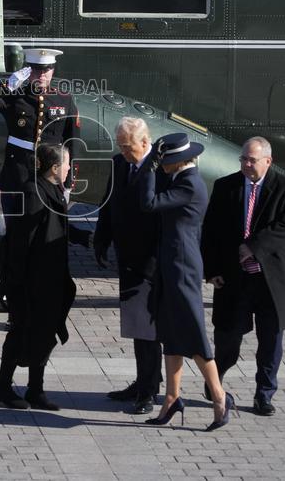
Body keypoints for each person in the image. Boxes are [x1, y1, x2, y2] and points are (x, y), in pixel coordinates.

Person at [137, 133, 235, 432]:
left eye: (165, 161)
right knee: (170, 332)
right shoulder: (180, 178)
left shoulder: (189, 183)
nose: (161, 165)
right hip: (172, 266)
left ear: (178, 161)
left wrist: (148, 165)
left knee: (193, 333)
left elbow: (149, 203)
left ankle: (219, 397)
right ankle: (171, 398)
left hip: (183, 268)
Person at [202, 137, 285, 417]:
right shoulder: (226, 187)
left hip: (271, 282)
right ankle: (215, 383)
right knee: (228, 339)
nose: (246, 164)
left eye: (252, 160)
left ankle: (264, 395)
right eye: (243, 159)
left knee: (270, 342)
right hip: (234, 279)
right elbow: (210, 231)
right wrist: (212, 270)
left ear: (268, 161)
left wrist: (253, 247)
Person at [0, 144, 91, 410]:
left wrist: (84, 237)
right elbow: (22, 239)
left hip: (50, 277)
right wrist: (15, 282)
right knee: (21, 331)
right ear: (55, 168)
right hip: (30, 280)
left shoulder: (52, 189)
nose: (69, 168)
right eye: (67, 164)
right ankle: (2, 387)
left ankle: (35, 389)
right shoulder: (33, 192)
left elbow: (57, 223)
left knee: (44, 332)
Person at [93, 117, 162, 415]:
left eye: (127, 146)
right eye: (120, 145)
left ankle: (149, 390)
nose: (123, 151)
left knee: (148, 329)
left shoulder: (161, 168)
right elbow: (108, 204)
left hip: (153, 262)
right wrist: (101, 239)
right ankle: (144, 381)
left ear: (145, 143)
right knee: (136, 325)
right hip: (128, 258)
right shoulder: (119, 164)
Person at [0, 48, 79, 215]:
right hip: (18, 171)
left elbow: (72, 140)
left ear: (53, 70)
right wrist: (6, 86)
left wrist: (69, 182)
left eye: (47, 69)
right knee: (16, 221)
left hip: (51, 173)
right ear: (27, 71)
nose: (42, 75)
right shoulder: (14, 96)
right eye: (36, 70)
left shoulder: (64, 99)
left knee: (48, 222)